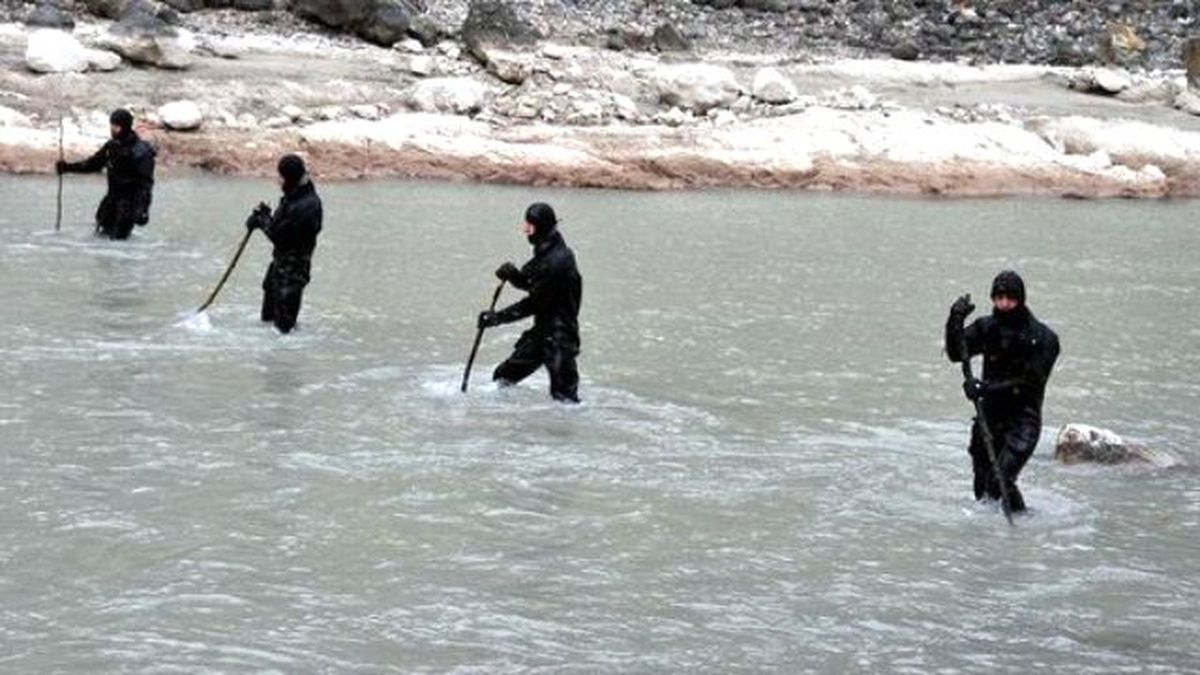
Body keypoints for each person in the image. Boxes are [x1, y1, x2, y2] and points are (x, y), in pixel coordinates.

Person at [945, 271, 1060, 512]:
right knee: (982, 487)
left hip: (1022, 421)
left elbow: (1031, 383)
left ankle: (1021, 525)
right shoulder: (988, 327)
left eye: (1010, 298)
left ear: (1021, 299)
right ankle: (989, 542)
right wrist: (954, 320)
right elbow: (957, 352)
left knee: (1000, 481)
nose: (1004, 304)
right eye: (999, 298)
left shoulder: (1043, 338)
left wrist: (985, 388)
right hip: (989, 416)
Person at [478, 203, 582, 403]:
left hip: (560, 338)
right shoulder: (548, 251)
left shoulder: (557, 260)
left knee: (565, 399)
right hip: (541, 334)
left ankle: (563, 432)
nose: (525, 231)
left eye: (529, 226)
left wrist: (497, 318)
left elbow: (535, 302)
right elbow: (537, 285)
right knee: (503, 377)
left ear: (539, 228)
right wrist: (514, 276)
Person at [244, 154, 322, 334]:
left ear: (288, 178)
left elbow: (280, 236)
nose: (277, 180)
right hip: (279, 267)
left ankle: (284, 361)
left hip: (292, 274)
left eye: (280, 176)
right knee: (268, 323)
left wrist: (262, 221)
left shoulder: (307, 205)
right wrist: (264, 217)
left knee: (283, 331)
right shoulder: (294, 197)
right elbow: (279, 228)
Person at [56, 108, 156, 240]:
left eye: (116, 126)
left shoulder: (140, 151)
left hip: (129, 204)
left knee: (118, 243)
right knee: (100, 236)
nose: (112, 129)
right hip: (111, 201)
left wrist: (143, 209)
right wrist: (67, 167)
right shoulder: (111, 147)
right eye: (112, 125)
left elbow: (146, 183)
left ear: (125, 127)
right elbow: (93, 164)